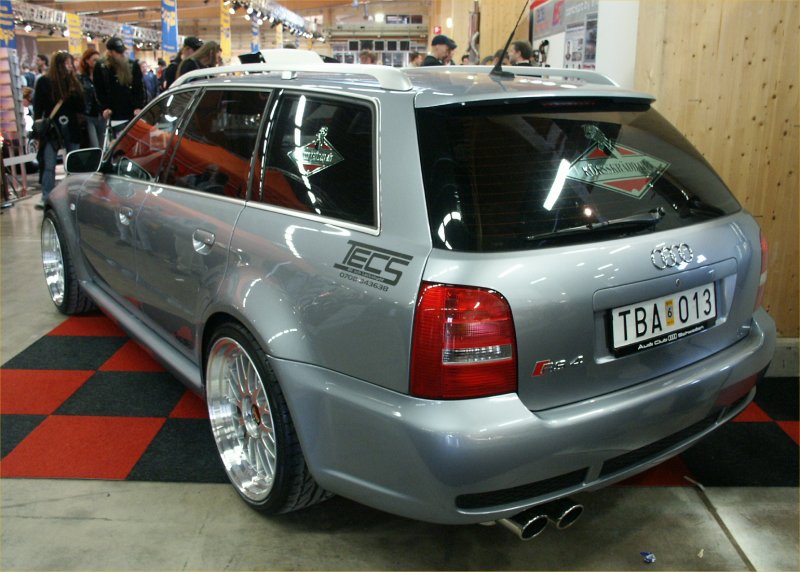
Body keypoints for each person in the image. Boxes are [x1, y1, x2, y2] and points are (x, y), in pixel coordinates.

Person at [33, 51, 84, 208]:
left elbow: (80, 106)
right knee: (49, 164)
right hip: (52, 128)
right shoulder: (44, 82)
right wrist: (37, 128)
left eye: (70, 63)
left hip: (71, 127)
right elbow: (38, 107)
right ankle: (46, 196)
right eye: (66, 63)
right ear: (59, 65)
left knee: (73, 162)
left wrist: (75, 89)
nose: (70, 66)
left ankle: (73, 194)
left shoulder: (73, 82)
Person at [94, 37, 146, 137]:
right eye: (118, 52)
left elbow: (139, 88)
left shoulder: (132, 65)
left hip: (132, 113)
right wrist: (104, 108)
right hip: (114, 114)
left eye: (122, 51)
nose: (122, 54)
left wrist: (138, 106)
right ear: (110, 52)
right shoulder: (101, 67)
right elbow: (99, 90)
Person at [76, 48, 104, 148]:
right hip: (88, 115)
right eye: (94, 60)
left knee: (102, 145)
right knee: (94, 144)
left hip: (101, 114)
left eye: (98, 60)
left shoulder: (102, 76)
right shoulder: (81, 78)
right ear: (87, 61)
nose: (97, 62)